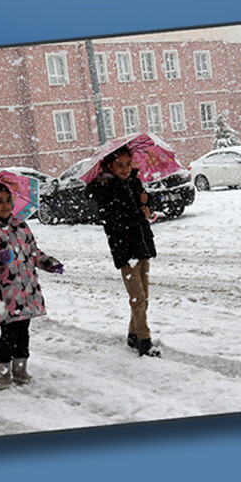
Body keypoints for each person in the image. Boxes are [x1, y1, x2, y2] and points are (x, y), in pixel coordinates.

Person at [0, 182, 65, 389]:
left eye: (8, 200)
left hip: (27, 289)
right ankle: (3, 373)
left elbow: (34, 252)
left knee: (24, 331)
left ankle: (20, 370)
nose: (5, 205)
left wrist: (49, 263)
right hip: (3, 294)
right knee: (9, 333)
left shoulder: (20, 225)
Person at [84, 147, 161, 357]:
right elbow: (114, 222)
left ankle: (133, 334)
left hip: (142, 245)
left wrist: (146, 201)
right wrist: (139, 214)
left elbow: (143, 204)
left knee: (143, 295)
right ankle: (145, 341)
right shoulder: (106, 189)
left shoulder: (134, 182)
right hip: (125, 250)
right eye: (120, 165)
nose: (126, 169)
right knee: (137, 297)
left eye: (128, 164)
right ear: (109, 166)